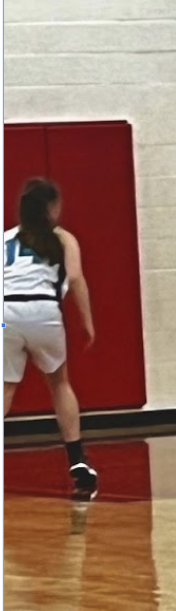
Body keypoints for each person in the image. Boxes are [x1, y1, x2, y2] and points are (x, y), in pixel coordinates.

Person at [4, 178, 98, 499]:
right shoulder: (62, 238)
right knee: (59, 383)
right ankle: (77, 461)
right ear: (51, 208)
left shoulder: (5, 240)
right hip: (42, 311)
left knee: (5, 387)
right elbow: (75, 278)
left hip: (6, 313)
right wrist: (87, 323)